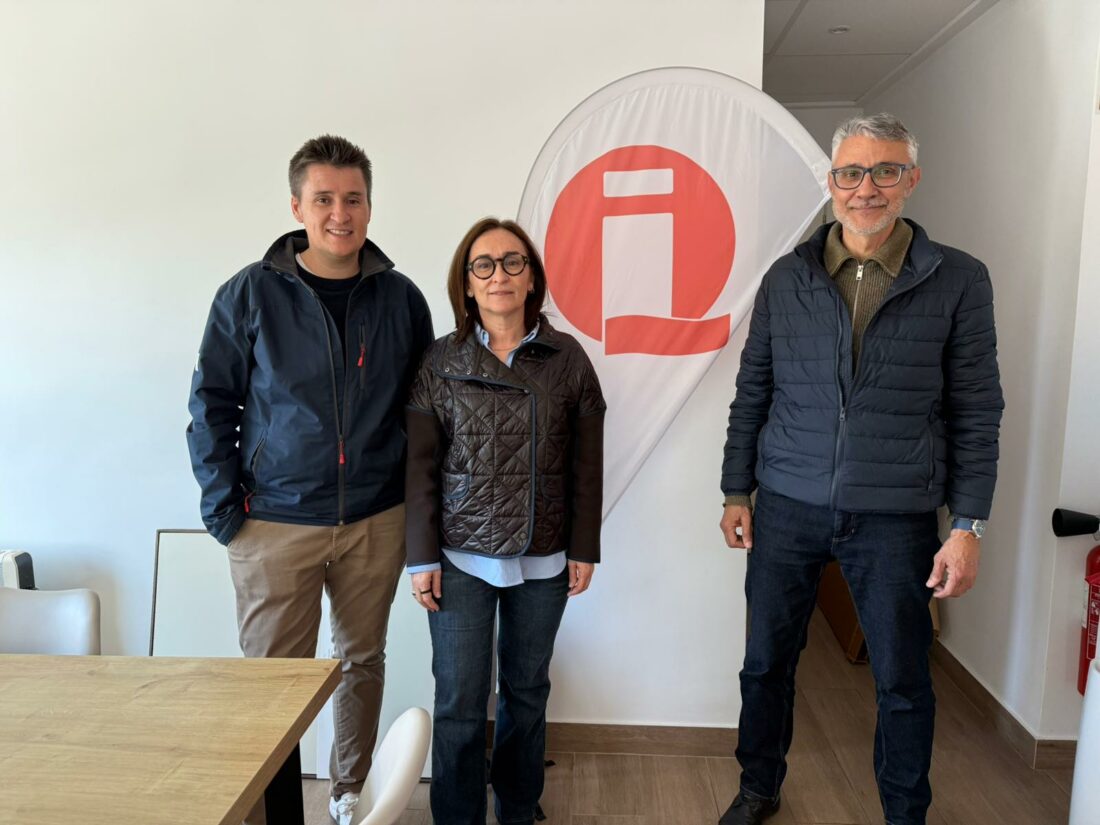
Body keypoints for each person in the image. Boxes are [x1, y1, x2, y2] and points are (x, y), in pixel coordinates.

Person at [717, 114, 1004, 825]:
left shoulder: (959, 278)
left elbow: (977, 408)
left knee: (903, 676)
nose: (865, 188)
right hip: (787, 504)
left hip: (896, 514)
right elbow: (754, 390)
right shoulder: (787, 277)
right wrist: (735, 489)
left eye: (884, 171)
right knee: (765, 663)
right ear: (831, 182)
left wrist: (967, 526)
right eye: (851, 172)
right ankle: (757, 788)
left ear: (911, 179)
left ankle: (905, 812)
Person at [186, 134, 434, 825]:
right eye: (323, 198)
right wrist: (225, 510)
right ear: (297, 206)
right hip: (274, 520)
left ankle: (348, 791)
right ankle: (273, 806)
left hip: (375, 517)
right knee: (272, 681)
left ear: (369, 206)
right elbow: (211, 404)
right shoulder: (249, 293)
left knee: (361, 660)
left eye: (353, 198)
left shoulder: (401, 299)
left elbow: (423, 415)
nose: (339, 213)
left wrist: (416, 516)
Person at [404, 217, 605, 825]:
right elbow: (420, 466)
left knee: (527, 691)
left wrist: (584, 547)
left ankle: (517, 807)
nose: (499, 275)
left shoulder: (569, 359)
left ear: (532, 277)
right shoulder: (439, 360)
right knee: (459, 700)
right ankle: (456, 815)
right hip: (460, 554)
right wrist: (421, 556)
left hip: (544, 553)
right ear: (466, 283)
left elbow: (587, 464)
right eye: (484, 265)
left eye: (513, 262)